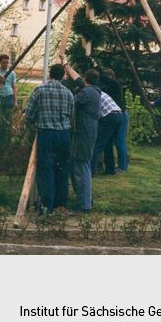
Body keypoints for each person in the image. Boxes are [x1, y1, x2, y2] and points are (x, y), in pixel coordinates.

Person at [24, 64, 74, 212]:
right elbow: (71, 115)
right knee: (62, 168)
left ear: (50, 75)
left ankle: (47, 206)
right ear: (63, 75)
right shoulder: (68, 93)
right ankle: (61, 206)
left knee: (46, 169)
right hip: (64, 134)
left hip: (46, 133)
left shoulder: (39, 91)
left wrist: (31, 124)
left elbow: (29, 114)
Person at [63, 62, 101, 212]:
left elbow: (70, 100)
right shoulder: (94, 90)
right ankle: (85, 200)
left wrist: (64, 81)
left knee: (81, 166)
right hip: (88, 132)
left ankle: (84, 205)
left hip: (83, 133)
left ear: (87, 79)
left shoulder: (86, 94)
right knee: (77, 165)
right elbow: (79, 80)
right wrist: (66, 66)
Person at [98, 67, 128, 172]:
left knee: (120, 141)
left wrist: (96, 67)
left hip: (121, 114)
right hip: (113, 114)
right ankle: (108, 165)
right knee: (109, 141)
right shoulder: (107, 88)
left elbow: (104, 79)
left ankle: (122, 166)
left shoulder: (116, 84)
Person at [91, 86, 122, 176]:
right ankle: (110, 169)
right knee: (108, 144)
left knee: (97, 144)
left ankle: (91, 170)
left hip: (108, 116)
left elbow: (95, 112)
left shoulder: (92, 94)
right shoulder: (99, 92)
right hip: (117, 115)